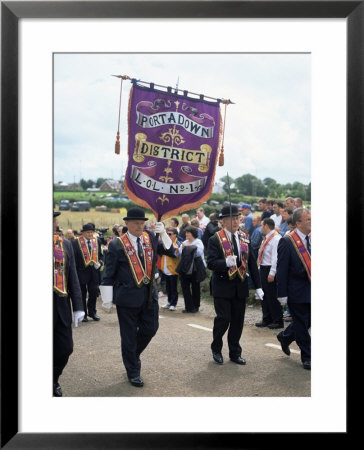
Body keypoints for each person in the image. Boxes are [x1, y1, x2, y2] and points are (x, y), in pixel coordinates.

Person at [101, 207, 173, 387]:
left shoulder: (150, 237)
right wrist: (107, 298)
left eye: (142, 223)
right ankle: (133, 371)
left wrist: (163, 232)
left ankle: (132, 355)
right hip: (127, 297)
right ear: (127, 224)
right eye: (135, 223)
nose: (139, 226)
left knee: (151, 328)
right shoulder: (117, 245)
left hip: (149, 295)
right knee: (129, 336)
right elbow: (109, 273)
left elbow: (170, 249)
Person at [207, 205, 264, 365]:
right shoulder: (215, 239)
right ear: (223, 222)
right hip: (222, 285)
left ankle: (235, 352)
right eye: (230, 219)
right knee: (223, 319)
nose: (234, 221)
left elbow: (251, 263)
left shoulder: (244, 237)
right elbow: (210, 263)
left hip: (240, 286)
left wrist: (258, 286)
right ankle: (216, 348)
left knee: (238, 321)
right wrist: (224, 262)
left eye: (237, 218)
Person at [53, 212, 84, 397]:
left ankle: (53, 378)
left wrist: (79, 306)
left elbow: (72, 275)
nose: (55, 223)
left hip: (61, 304)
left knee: (65, 348)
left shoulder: (64, 244)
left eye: (54, 220)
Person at [276, 208, 311, 370]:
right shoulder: (287, 241)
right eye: (308, 220)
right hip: (296, 290)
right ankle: (308, 356)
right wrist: (281, 294)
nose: (312, 222)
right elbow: (281, 269)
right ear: (298, 223)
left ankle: (285, 337)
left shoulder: (312, 238)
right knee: (302, 324)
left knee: (305, 321)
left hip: (311, 288)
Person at [72, 222, 104, 322]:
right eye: (88, 232)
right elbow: (74, 258)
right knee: (82, 293)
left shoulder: (97, 241)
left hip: (94, 271)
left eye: (91, 232)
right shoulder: (76, 242)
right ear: (83, 233)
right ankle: (84, 314)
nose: (90, 234)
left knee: (94, 292)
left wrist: (100, 263)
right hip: (81, 271)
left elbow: (101, 255)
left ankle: (92, 312)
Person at [255, 218, 283, 329]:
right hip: (263, 268)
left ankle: (277, 319)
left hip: (270, 269)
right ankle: (267, 318)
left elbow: (275, 258)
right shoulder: (267, 238)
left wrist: (272, 272)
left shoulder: (276, 238)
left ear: (266, 226)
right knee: (264, 295)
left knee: (272, 296)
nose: (261, 228)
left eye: (262, 225)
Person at [177, 225, 206, 313]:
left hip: (195, 267)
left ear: (192, 233)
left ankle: (196, 306)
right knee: (185, 287)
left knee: (195, 287)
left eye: (188, 233)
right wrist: (179, 249)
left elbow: (198, 252)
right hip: (185, 267)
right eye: (186, 232)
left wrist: (185, 248)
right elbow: (179, 254)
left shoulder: (198, 242)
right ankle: (188, 306)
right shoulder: (184, 242)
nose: (186, 234)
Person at [160, 227, 182, 311]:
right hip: (165, 268)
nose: (168, 236)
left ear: (175, 235)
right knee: (168, 287)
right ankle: (169, 301)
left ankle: (173, 303)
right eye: (167, 234)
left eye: (170, 234)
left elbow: (176, 255)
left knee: (173, 287)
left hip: (173, 269)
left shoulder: (178, 243)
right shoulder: (165, 243)